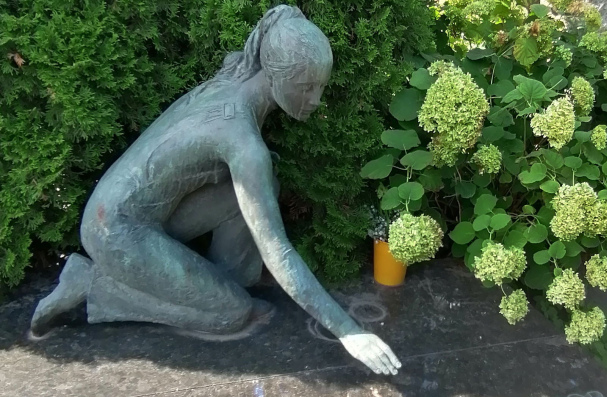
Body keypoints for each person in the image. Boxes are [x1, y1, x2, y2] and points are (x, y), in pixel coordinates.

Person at [30, 5, 401, 376]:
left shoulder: (232, 84)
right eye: (307, 87)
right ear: (276, 74)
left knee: (264, 184)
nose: (316, 99)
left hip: (139, 212)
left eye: (320, 86)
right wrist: (348, 330)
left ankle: (222, 286)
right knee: (231, 314)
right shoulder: (242, 142)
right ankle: (91, 283)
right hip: (113, 230)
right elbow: (277, 250)